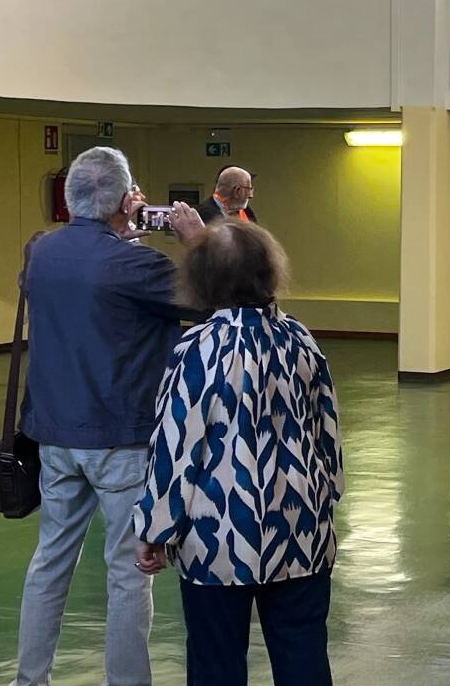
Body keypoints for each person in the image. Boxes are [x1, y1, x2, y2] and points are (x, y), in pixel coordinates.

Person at [12, 147, 204, 686]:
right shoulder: (139, 264)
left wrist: (117, 233)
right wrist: (196, 242)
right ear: (127, 201)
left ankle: (30, 679)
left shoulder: (42, 254)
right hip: (121, 439)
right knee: (127, 573)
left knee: (50, 562)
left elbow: (82, 286)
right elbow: (216, 302)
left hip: (54, 435)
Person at [133, 220, 344, 686]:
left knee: (215, 661)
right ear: (270, 275)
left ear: (203, 279)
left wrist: (154, 527)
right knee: (303, 650)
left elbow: (175, 445)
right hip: (300, 530)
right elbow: (328, 433)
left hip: (217, 540)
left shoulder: (196, 348)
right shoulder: (301, 340)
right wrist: (327, 498)